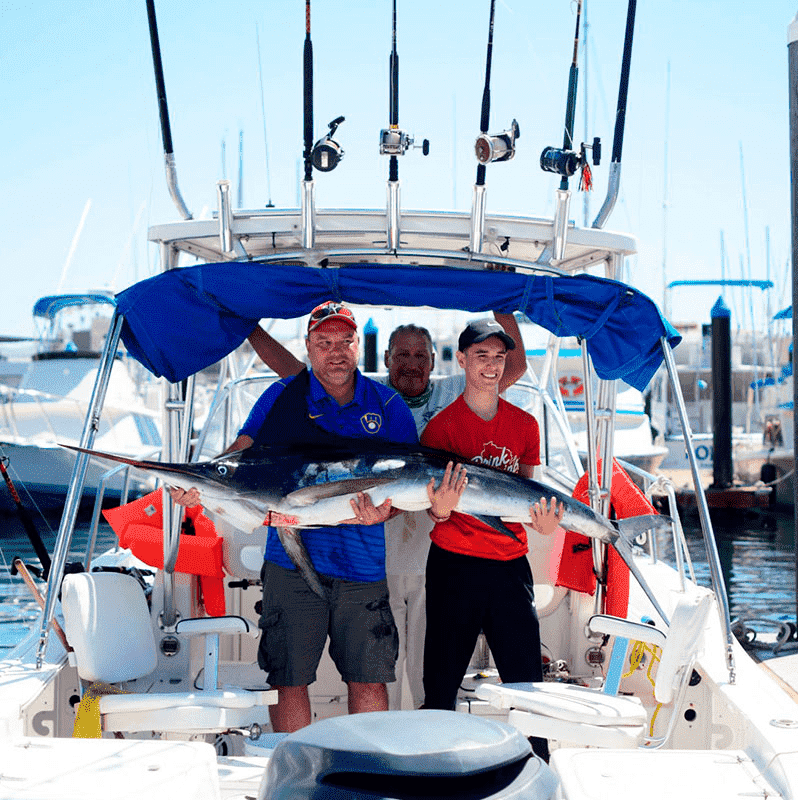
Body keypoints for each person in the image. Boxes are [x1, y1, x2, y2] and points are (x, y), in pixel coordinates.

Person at [247, 312, 526, 710]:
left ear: (435, 360)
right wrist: (248, 325)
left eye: (420, 355)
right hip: (381, 553)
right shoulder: (367, 391)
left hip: (430, 551)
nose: (411, 363)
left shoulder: (450, 392)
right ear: (385, 359)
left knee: (425, 671)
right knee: (379, 672)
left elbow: (507, 368)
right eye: (401, 355)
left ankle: (422, 739)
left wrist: (504, 304)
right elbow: (301, 373)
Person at [173, 301, 418, 732]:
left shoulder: (388, 405)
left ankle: (368, 769)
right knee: (288, 679)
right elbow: (241, 454)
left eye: (345, 341)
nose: (335, 351)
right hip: (289, 563)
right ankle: (294, 768)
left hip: (362, 566)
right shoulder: (281, 396)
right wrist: (202, 484)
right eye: (324, 342)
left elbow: (407, 482)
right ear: (308, 346)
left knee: (369, 679)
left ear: (358, 346)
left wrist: (387, 511)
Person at [419, 318, 563, 757]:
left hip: (509, 567)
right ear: (462, 360)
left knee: (527, 685)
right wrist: (441, 509)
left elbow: (527, 496)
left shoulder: (525, 425)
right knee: (440, 684)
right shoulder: (440, 429)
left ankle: (537, 766)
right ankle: (437, 767)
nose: (492, 365)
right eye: (481, 355)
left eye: (499, 357)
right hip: (454, 566)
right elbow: (432, 509)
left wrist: (544, 524)